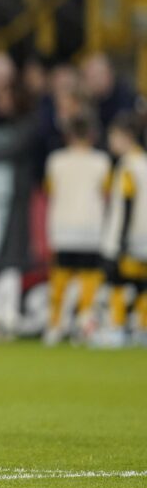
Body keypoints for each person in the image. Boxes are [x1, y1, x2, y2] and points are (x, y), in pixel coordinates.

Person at [43, 114, 110, 345]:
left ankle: (54, 326)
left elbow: (49, 189)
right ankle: (85, 324)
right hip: (91, 229)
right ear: (92, 135)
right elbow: (106, 192)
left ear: (68, 135)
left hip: (63, 228)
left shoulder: (56, 160)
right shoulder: (102, 161)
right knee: (89, 280)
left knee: (60, 280)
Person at [98, 115, 147, 348]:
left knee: (116, 281)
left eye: (113, 136)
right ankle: (142, 329)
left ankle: (116, 327)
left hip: (128, 236)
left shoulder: (127, 166)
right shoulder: (144, 162)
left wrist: (120, 241)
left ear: (126, 137)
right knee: (141, 285)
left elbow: (127, 203)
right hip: (143, 237)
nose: (111, 141)